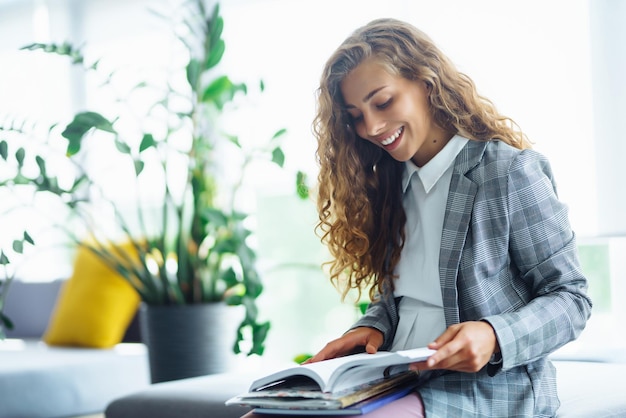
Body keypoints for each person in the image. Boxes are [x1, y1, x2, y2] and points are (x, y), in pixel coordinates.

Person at [243, 17, 592, 418]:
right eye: (355, 115)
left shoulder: (507, 172)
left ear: (426, 82)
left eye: (383, 102)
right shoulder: (390, 182)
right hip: (393, 377)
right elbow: (403, 299)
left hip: (479, 391)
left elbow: (572, 299)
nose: (371, 127)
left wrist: (495, 336)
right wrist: (370, 329)